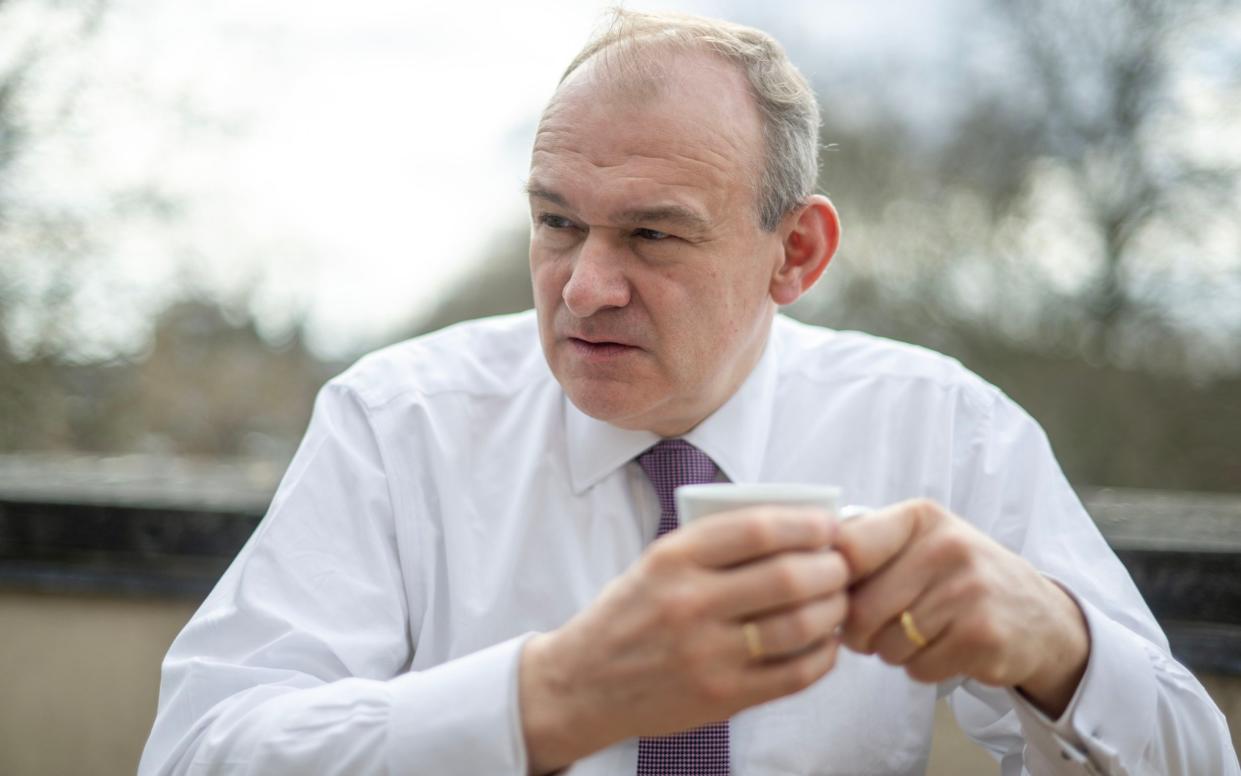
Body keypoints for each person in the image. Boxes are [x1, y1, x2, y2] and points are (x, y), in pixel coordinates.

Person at [139, 9, 1238, 776]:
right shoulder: (400, 423)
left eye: (652, 234)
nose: (586, 284)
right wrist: (550, 696)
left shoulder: (940, 427)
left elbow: (1196, 756)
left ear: (794, 254)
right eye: (556, 221)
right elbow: (198, 751)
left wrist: (1056, 645)